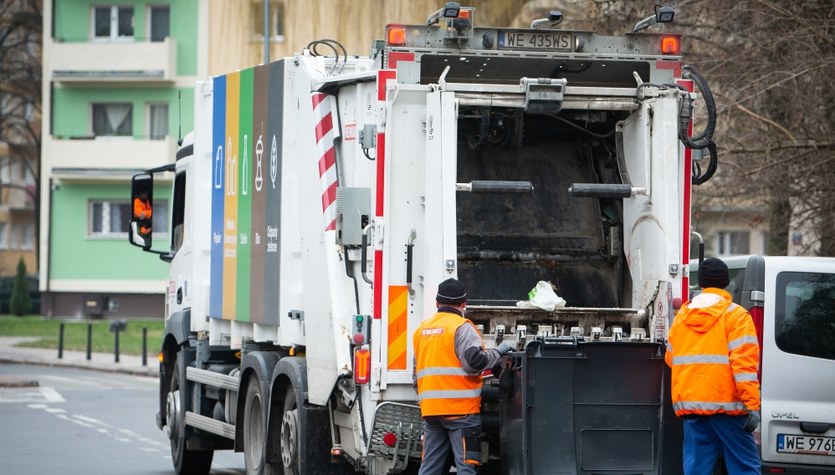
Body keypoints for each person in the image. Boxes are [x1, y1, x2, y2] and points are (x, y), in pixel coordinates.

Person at [665, 257, 761, 474]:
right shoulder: (736, 316)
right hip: (728, 408)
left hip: (692, 408)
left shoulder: (682, 317)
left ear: (702, 283)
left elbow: (671, 358)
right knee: (745, 467)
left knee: (697, 469)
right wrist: (752, 405)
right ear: (726, 283)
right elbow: (743, 365)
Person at [412, 278, 514, 475]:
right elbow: (474, 363)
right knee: (465, 468)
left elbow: (416, 375)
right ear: (463, 304)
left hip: (431, 412)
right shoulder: (462, 327)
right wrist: (498, 352)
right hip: (461, 411)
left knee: (429, 469)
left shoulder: (421, 331)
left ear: (437, 303)